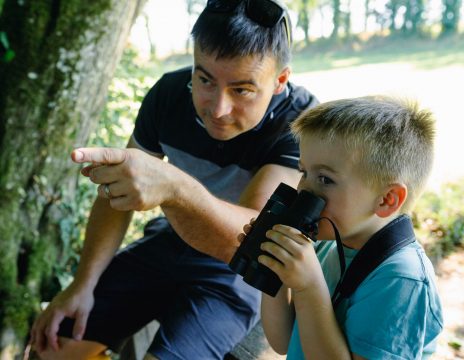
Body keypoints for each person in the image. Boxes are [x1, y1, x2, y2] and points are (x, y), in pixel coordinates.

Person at [30, 0, 318, 358]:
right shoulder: (169, 95)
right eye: (205, 79)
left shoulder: (303, 125)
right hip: (168, 243)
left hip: (237, 273)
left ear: (279, 81)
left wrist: (172, 186)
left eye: (241, 90)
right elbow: (114, 198)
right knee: (51, 346)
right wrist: (82, 283)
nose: (218, 109)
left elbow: (245, 238)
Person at [242, 96, 444, 359]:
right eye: (304, 172)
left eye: (325, 179)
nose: (304, 189)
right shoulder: (327, 242)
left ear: (386, 200)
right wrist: (274, 271)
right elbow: (283, 342)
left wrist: (309, 287)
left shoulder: (400, 281)